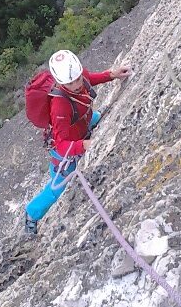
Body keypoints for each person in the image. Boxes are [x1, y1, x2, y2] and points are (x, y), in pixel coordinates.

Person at [25, 49, 131, 235]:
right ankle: (32, 214)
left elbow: (90, 78)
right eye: (70, 83)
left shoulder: (78, 75)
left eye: (77, 79)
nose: (76, 84)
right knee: (57, 188)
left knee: (95, 117)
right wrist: (83, 145)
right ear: (60, 82)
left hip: (83, 123)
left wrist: (112, 74)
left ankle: (92, 122)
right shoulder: (60, 106)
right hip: (67, 148)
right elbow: (62, 145)